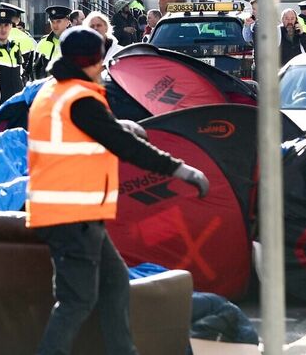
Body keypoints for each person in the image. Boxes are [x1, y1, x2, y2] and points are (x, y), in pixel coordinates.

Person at [27, 26, 209, 355]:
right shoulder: (80, 98)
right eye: (99, 57)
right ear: (92, 61)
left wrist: (118, 126)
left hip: (77, 215)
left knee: (115, 284)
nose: (101, 65)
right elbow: (122, 146)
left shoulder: (57, 90)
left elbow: (87, 132)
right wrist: (180, 169)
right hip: (72, 216)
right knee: (77, 301)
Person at [31, 5, 73, 80]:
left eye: (58, 21)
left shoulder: (76, 42)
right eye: (52, 22)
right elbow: (35, 69)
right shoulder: (43, 43)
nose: (55, 25)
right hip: (48, 89)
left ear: (67, 22)